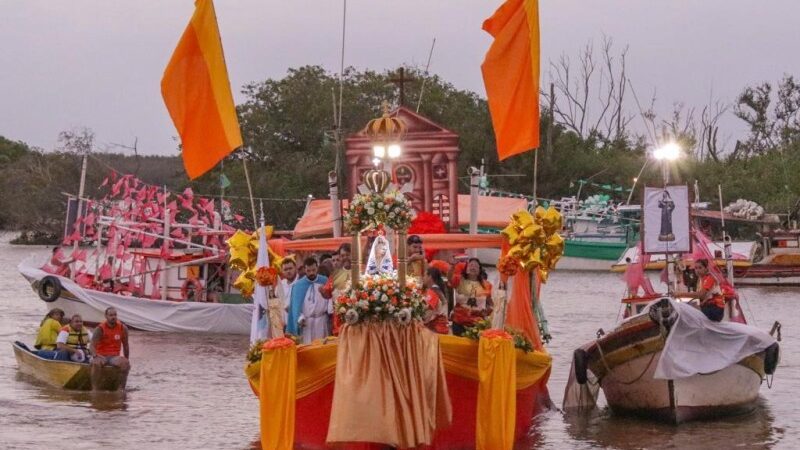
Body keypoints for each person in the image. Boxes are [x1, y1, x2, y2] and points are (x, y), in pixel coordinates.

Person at [286, 257, 330, 344]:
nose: (311, 273)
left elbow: (330, 300)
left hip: (321, 321)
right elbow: (295, 307)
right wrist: (300, 318)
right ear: (304, 269)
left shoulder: (324, 281)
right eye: (308, 271)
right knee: (308, 347)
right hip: (307, 323)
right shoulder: (298, 285)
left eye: (313, 270)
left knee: (322, 348)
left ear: (317, 268)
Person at [89, 307, 130, 390]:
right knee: (96, 363)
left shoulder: (123, 328)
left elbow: (126, 345)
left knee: (125, 363)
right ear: (106, 316)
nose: (113, 317)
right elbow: (92, 345)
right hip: (101, 355)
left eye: (115, 315)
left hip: (114, 357)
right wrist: (95, 356)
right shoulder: (100, 328)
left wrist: (126, 359)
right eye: (111, 315)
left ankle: (120, 389)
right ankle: (95, 389)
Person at [450, 258, 493, 336]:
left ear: (479, 270)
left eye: (476, 266)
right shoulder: (459, 280)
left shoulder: (487, 285)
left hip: (477, 324)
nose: (473, 267)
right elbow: (449, 278)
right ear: (466, 269)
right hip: (459, 321)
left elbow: (490, 304)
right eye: (471, 265)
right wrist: (452, 266)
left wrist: (487, 312)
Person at [320, 244, 352, 335]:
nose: (345, 257)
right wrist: (322, 291)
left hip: (358, 318)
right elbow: (327, 293)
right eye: (342, 256)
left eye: (347, 254)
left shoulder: (362, 269)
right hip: (339, 320)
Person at [423, 267, 449, 334]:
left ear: (430, 277)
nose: (423, 278)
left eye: (424, 275)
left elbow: (428, 312)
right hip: (440, 329)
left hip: (435, 331)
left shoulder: (433, 291)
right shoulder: (438, 290)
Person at [276, 258, 298, 332]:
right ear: (282, 271)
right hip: (284, 326)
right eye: (285, 269)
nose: (288, 271)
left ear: (295, 268)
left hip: (298, 324)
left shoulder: (300, 283)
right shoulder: (280, 285)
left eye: (290, 268)